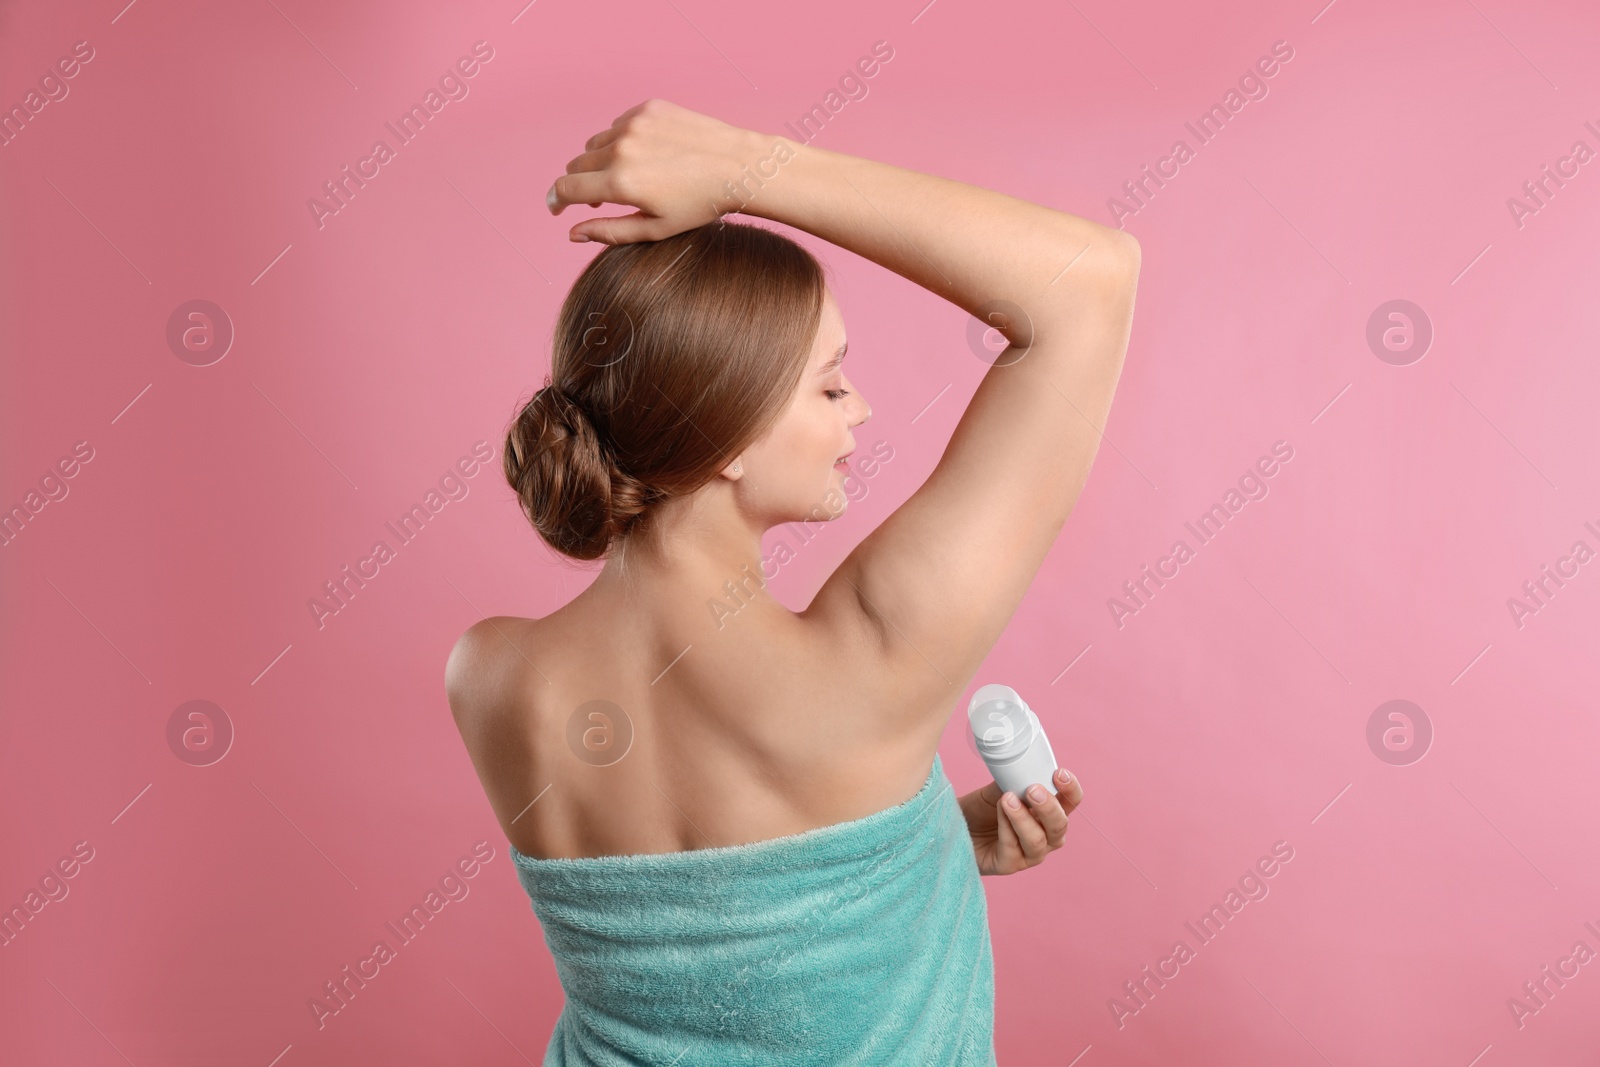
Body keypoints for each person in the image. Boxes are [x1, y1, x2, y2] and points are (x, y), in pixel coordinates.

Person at [445, 99, 1141, 1066]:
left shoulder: (490, 676)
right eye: (828, 384)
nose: (861, 408)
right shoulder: (872, 663)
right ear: (729, 435)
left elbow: (717, 932)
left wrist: (921, 843)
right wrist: (744, 165)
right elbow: (1089, 285)